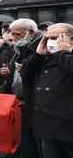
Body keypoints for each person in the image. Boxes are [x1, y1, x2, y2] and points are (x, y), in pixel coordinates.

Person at [21, 23, 73, 158]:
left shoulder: (64, 57)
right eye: (47, 38)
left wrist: (63, 52)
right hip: (46, 126)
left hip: (68, 126)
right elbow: (25, 74)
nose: (50, 42)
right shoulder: (45, 58)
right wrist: (37, 55)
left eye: (55, 38)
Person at [2, 18, 42, 158]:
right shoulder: (19, 47)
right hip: (20, 101)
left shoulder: (40, 47)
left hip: (35, 103)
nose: (12, 37)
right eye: (11, 34)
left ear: (30, 32)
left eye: (17, 34)